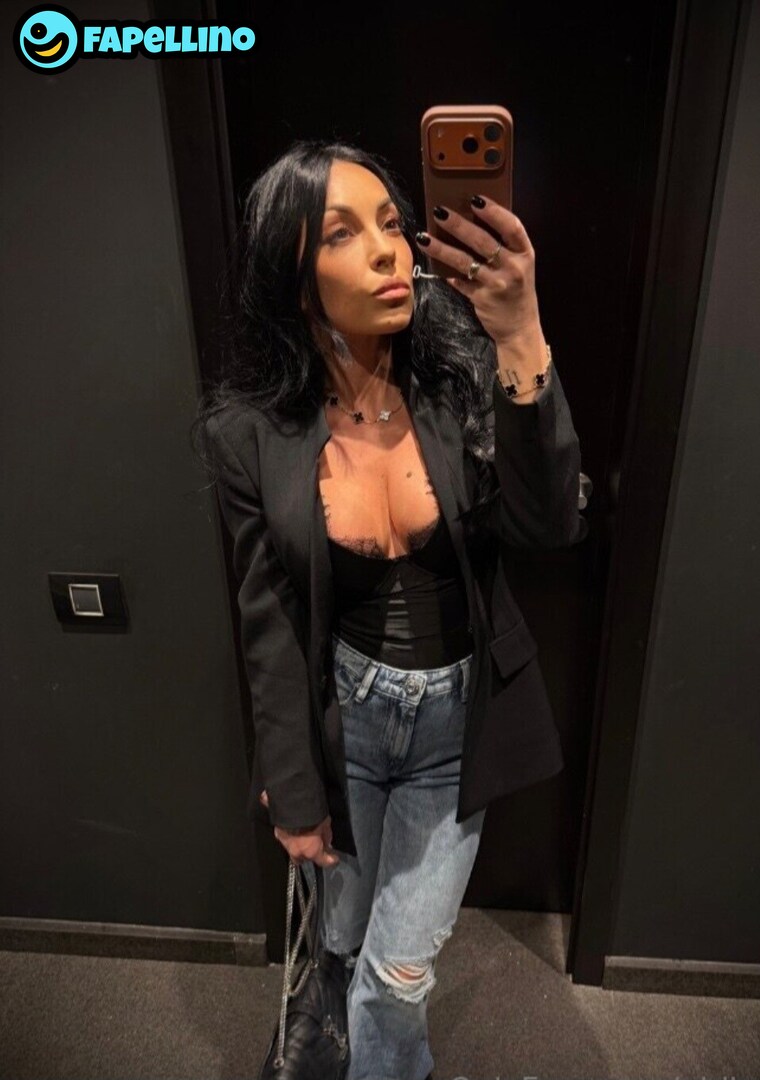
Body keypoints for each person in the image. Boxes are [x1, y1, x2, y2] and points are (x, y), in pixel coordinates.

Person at [194, 139, 587, 1080]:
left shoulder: (459, 379)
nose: (388, 251)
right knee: (341, 936)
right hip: (348, 721)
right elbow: (269, 625)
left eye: (391, 224)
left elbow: (549, 527)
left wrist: (521, 337)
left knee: (398, 977)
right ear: (293, 277)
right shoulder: (249, 435)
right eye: (342, 233)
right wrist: (293, 793)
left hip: (456, 727)